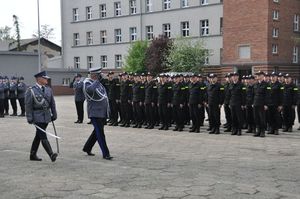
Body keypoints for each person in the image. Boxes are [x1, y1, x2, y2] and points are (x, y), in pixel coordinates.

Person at [25, 71, 58, 162]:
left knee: (38, 136)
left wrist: (54, 114)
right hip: (37, 116)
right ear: (39, 79)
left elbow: (52, 103)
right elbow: (28, 105)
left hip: (46, 116)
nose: (47, 79)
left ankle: (32, 154)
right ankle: (51, 154)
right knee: (42, 135)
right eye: (45, 78)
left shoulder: (48, 89)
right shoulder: (31, 90)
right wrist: (29, 118)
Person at [82, 67, 112, 160]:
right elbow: (90, 90)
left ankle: (87, 147)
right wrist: (97, 81)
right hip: (95, 112)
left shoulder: (99, 84)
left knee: (96, 132)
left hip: (102, 112)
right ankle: (105, 153)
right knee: (100, 133)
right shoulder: (87, 83)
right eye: (99, 75)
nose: (101, 76)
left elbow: (104, 96)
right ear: (94, 75)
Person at [253, 71, 269, 137]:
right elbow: (254, 94)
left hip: (262, 104)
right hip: (256, 104)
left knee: (262, 118)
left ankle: (262, 131)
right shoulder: (256, 84)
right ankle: (258, 131)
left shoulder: (266, 85)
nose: (258, 76)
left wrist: (266, 104)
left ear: (262, 76)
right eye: (257, 75)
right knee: (256, 118)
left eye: (259, 75)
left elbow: (268, 95)